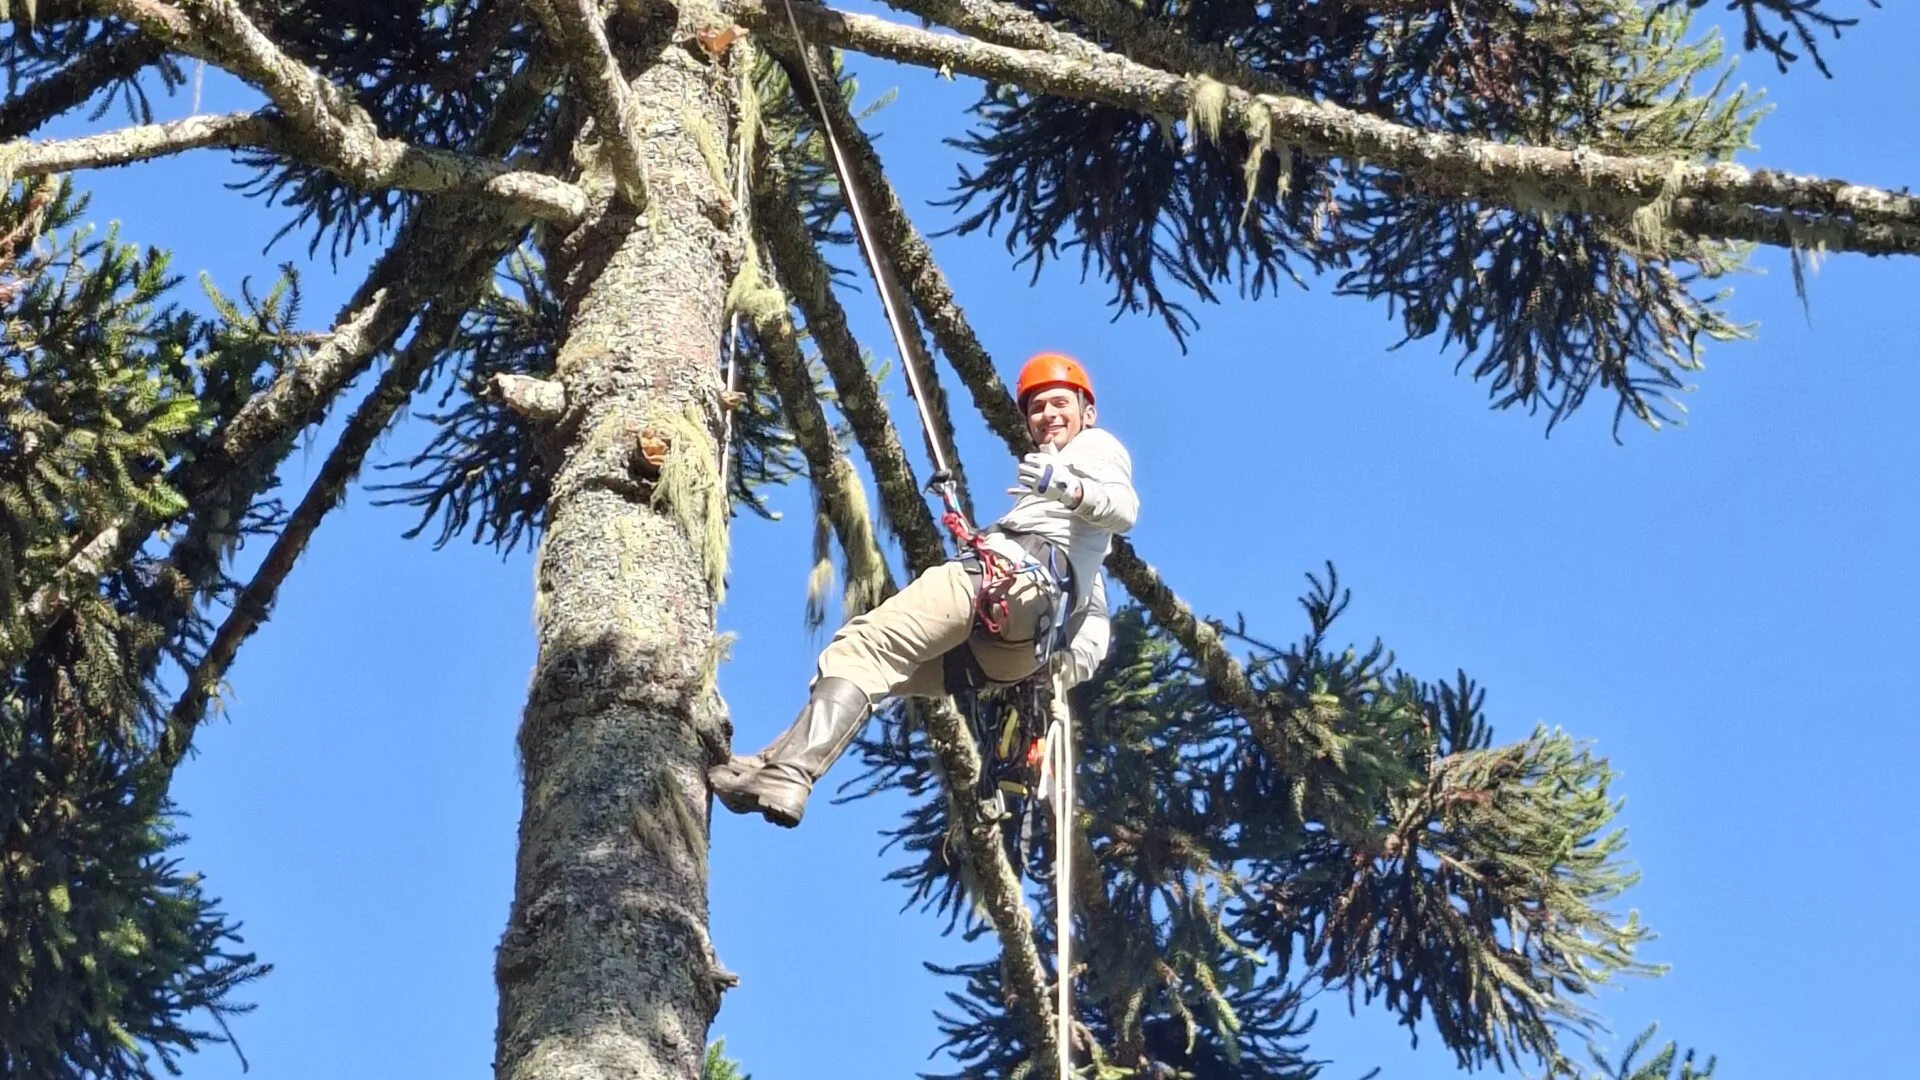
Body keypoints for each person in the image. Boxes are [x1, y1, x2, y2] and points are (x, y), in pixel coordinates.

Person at [708, 352, 1139, 828]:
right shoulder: (1084, 561)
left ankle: (788, 773)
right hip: (1018, 649)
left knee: (865, 646)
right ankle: (775, 763)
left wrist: (1065, 485)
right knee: (878, 672)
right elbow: (1092, 630)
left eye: (1060, 403)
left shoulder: (1095, 448)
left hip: (1004, 580)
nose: (1047, 415)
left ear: (1087, 412)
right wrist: (1053, 673)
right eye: (1037, 408)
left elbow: (1123, 507)